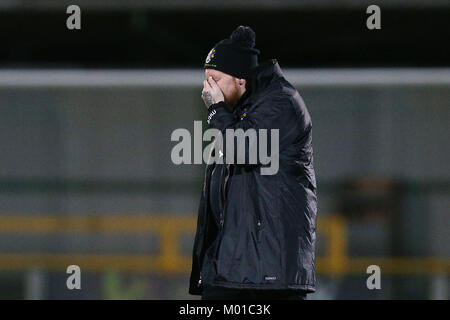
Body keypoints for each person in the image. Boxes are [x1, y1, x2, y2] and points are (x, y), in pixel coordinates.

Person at [189, 25, 317, 300]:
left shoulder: (281, 102)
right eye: (206, 79)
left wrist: (217, 111)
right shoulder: (238, 115)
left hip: (270, 273)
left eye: (215, 79)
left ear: (240, 80)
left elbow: (244, 148)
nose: (208, 89)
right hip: (232, 268)